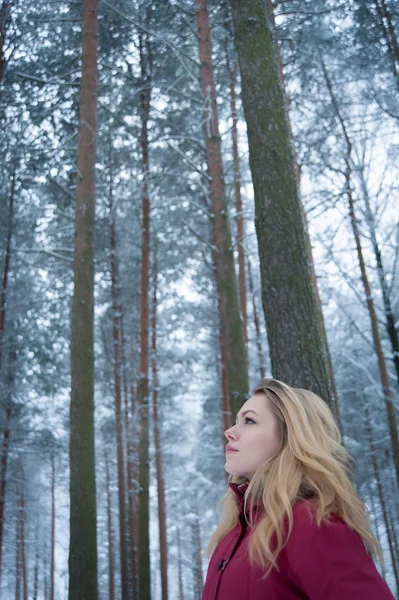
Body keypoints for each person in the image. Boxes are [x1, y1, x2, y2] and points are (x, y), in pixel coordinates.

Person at [202, 378, 395, 600]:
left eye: (250, 421)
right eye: (237, 421)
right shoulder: (234, 531)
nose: (230, 431)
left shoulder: (313, 523)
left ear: (289, 438)